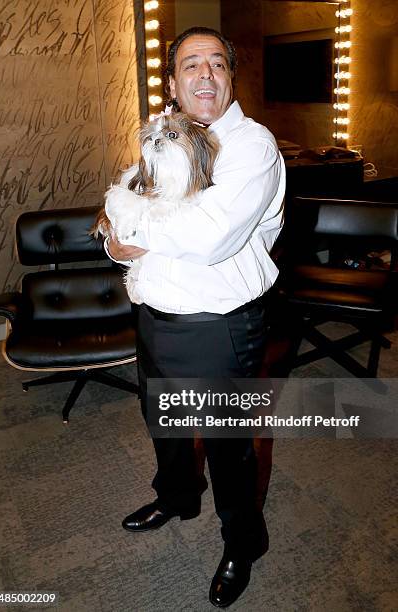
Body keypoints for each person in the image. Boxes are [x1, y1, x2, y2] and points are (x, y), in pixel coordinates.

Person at [106, 26, 285, 608]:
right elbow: (122, 207)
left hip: (220, 323)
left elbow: (208, 237)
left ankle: (243, 543)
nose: (204, 74)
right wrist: (117, 241)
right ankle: (178, 496)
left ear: (230, 77)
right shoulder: (164, 136)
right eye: (191, 65)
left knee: (228, 443)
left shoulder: (251, 146)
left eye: (216, 64)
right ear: (174, 82)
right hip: (156, 308)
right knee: (162, 418)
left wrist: (133, 231)